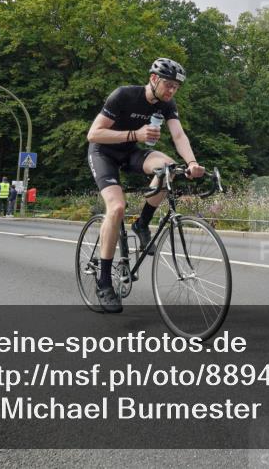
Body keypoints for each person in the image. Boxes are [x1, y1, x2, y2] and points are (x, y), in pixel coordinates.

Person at [86, 58, 205, 313]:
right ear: (154, 79)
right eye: (168, 85)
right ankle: (104, 282)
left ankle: (142, 223)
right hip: (103, 153)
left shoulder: (167, 105)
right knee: (116, 208)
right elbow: (93, 134)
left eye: (176, 87)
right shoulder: (123, 95)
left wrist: (192, 163)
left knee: (169, 167)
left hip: (131, 153)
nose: (172, 91)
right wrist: (136, 135)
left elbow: (179, 135)